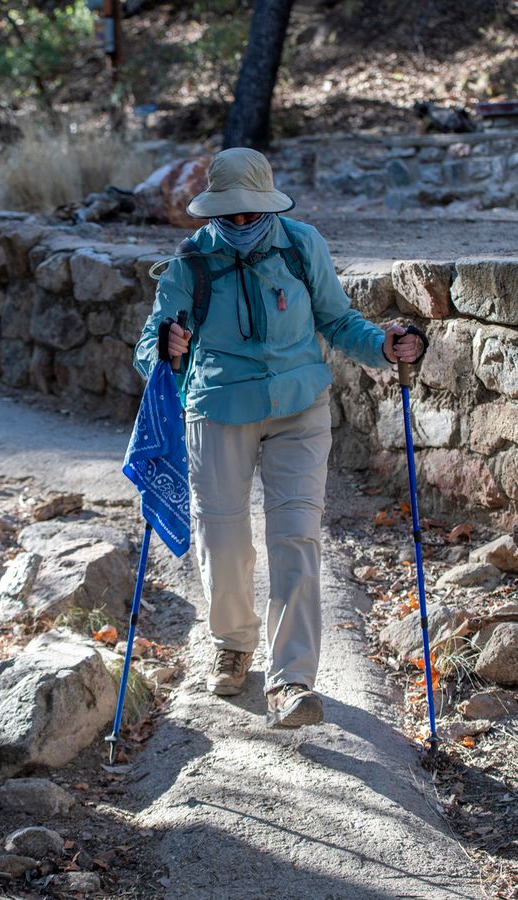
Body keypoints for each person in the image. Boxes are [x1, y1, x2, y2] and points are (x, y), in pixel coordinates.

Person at [134, 147, 424, 729]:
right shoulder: (190, 262)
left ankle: (292, 679)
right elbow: (152, 342)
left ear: (269, 204)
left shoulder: (301, 244)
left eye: (251, 212)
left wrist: (385, 347)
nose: (242, 223)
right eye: (230, 214)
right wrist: (162, 348)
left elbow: (338, 321)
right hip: (217, 408)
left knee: (295, 535)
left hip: (300, 406)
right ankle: (233, 644)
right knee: (225, 539)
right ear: (213, 210)